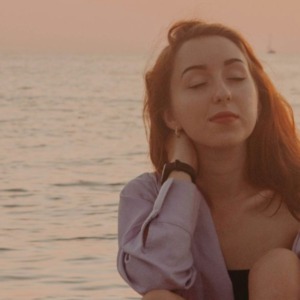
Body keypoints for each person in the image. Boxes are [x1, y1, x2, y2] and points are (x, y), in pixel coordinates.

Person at [117, 19, 300, 300]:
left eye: (237, 77)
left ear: (259, 98)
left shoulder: (294, 189)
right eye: (198, 83)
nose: (223, 93)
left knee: (279, 268)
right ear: (171, 114)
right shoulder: (145, 196)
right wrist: (180, 173)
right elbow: (153, 277)